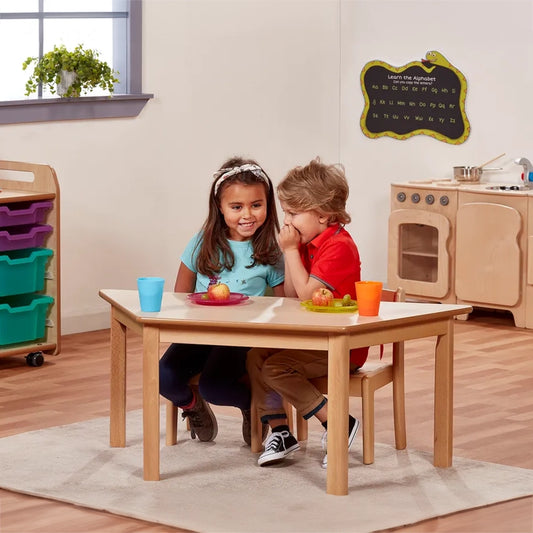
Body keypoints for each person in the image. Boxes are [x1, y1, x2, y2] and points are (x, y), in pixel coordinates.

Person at [246, 157, 368, 468]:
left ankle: (338, 423)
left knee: (276, 368)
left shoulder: (339, 247)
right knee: (255, 356)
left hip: (341, 345)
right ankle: (281, 432)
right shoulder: (305, 244)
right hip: (313, 340)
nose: (287, 222)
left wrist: (289, 250)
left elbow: (307, 294)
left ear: (323, 215)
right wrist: (293, 252)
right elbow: (291, 297)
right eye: (286, 212)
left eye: (293, 213)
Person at [159, 156, 284, 446]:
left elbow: (284, 305)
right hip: (200, 333)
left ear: (267, 204)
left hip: (241, 339)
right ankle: (193, 406)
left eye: (256, 205)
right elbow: (181, 294)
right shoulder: (202, 241)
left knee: (215, 386)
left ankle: (252, 405)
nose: (247, 214)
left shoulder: (270, 250)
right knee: (163, 377)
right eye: (236, 207)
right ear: (220, 206)